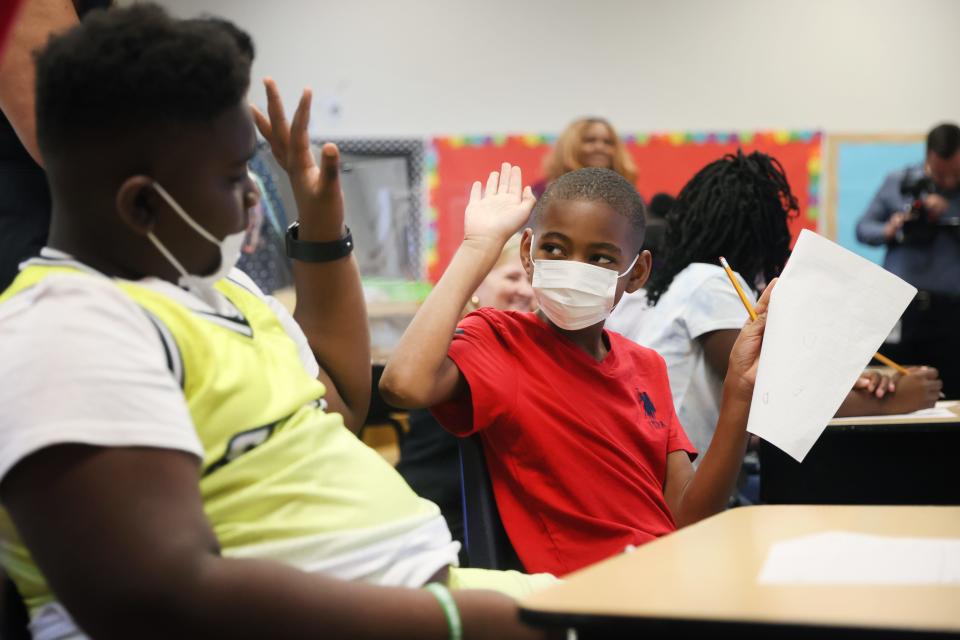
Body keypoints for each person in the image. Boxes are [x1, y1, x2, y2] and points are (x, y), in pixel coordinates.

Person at [0, 6, 552, 639]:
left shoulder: (220, 289)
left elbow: (341, 407)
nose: (252, 202)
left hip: (434, 600)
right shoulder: (62, 332)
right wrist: (450, 619)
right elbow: (154, 600)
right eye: (236, 178)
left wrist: (320, 226)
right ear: (144, 203)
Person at [380, 163, 775, 577]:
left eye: (601, 258)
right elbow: (403, 384)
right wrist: (478, 247)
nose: (573, 268)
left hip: (669, 574)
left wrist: (738, 393)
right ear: (528, 253)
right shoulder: (500, 340)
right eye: (554, 249)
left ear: (637, 273)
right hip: (591, 593)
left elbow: (687, 520)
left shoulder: (646, 366)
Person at [607, 151, 943, 460]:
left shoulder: (693, 280)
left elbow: (788, 373)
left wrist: (862, 381)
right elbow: (772, 396)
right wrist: (897, 399)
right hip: (682, 490)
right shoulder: (710, 283)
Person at [396, 235, 535, 563]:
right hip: (443, 523)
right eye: (513, 277)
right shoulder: (458, 349)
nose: (526, 291)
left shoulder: (522, 349)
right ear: (475, 286)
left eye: (533, 281)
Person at [856, 123, 960, 399]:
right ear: (928, 158)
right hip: (899, 309)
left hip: (952, 314)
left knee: (952, 395)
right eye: (941, 173)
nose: (948, 180)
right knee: (890, 389)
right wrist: (890, 229)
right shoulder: (899, 183)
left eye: (955, 173)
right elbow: (863, 228)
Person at [531, 117, 637, 198]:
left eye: (608, 142)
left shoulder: (627, 193)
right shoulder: (544, 191)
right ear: (570, 145)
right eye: (590, 140)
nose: (599, 147)